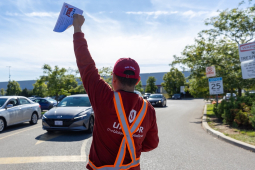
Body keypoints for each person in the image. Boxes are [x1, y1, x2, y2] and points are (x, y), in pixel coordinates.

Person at [72, 14, 159, 170]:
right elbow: (152, 144)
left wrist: (77, 28)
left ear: (113, 79)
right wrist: (133, 144)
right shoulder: (148, 110)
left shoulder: (104, 98)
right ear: (137, 81)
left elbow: (86, 66)